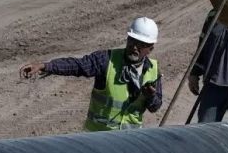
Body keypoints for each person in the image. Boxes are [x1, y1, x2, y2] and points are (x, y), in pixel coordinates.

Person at [18, 17, 163, 131]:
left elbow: (155, 107)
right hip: (97, 140)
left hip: (128, 142)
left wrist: (150, 96)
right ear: (127, 39)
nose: (135, 48)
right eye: (132, 41)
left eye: (142, 45)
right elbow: (77, 65)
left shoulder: (153, 70)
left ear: (150, 49)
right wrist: (45, 66)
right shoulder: (106, 60)